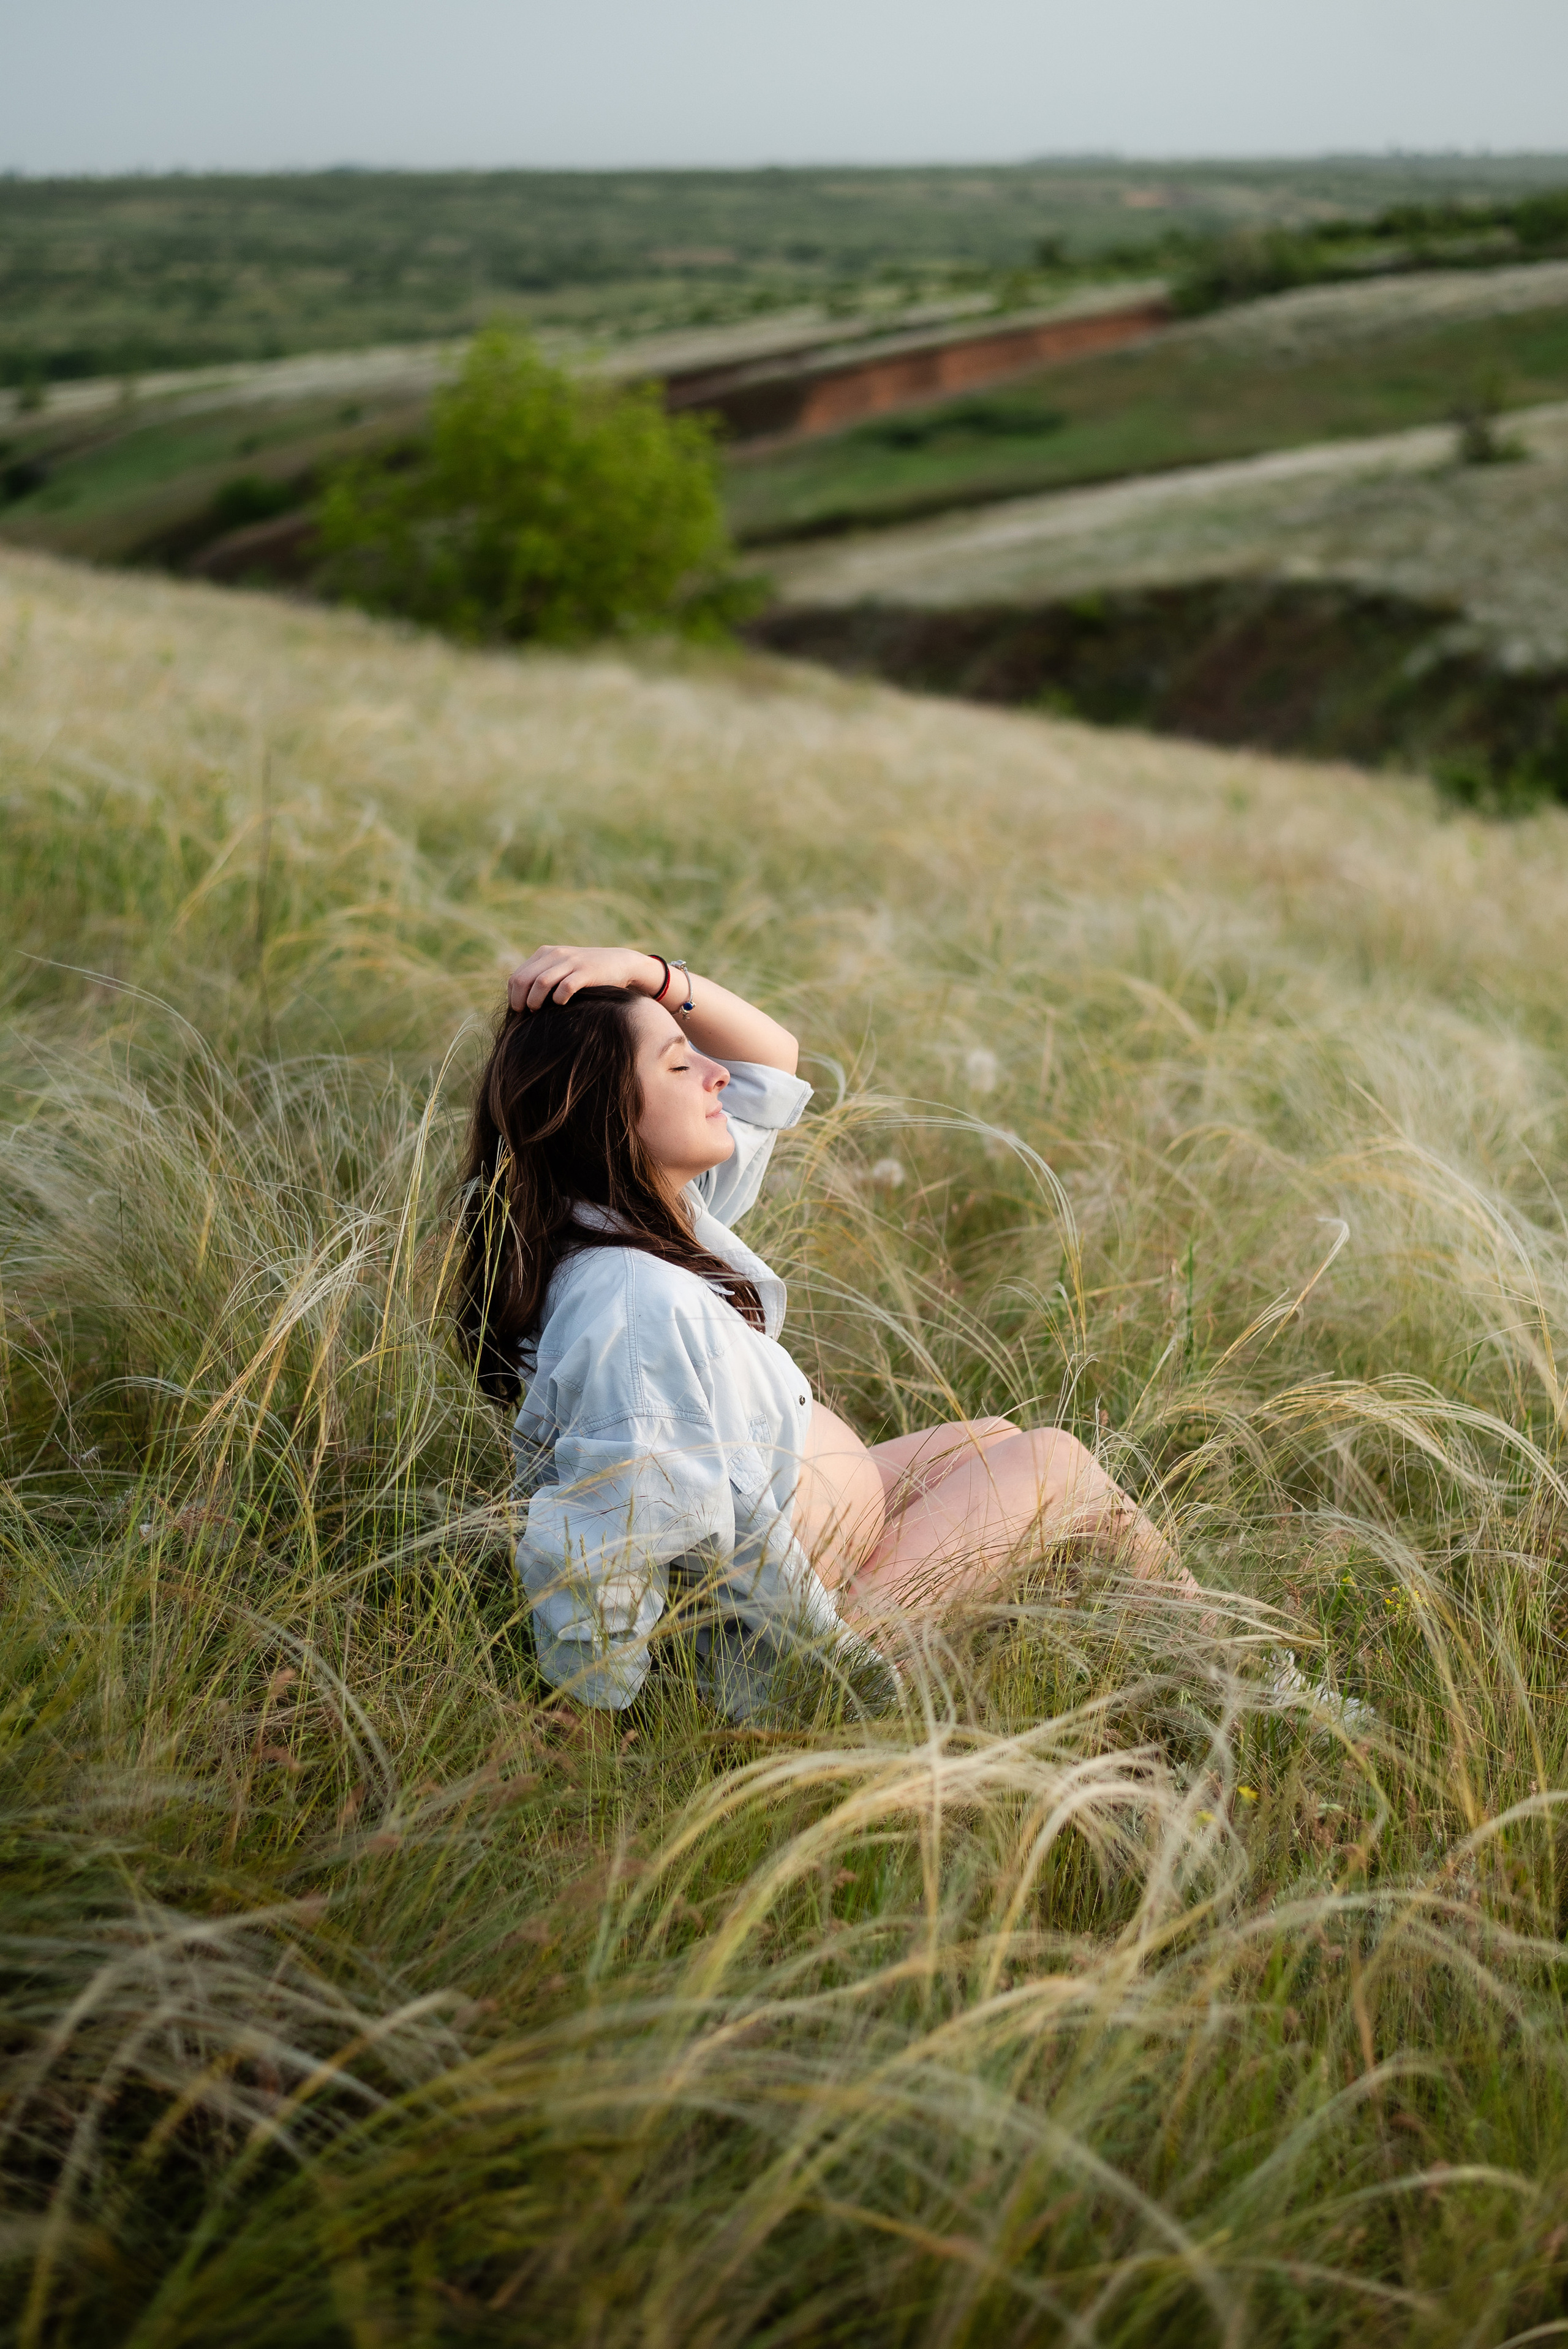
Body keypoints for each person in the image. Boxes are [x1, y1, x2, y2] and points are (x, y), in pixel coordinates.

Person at [457, 944, 1202, 1718]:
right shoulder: (633, 1297)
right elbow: (613, 1521)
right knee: (1058, 1464)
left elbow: (770, 1061)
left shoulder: (644, 1210)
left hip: (806, 1555)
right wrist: (589, 1709)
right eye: (680, 1068)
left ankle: (1148, 1655)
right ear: (602, 1116)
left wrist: (650, 975)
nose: (715, 1074)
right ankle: (1233, 1669)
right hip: (802, 1645)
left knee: (986, 1438)